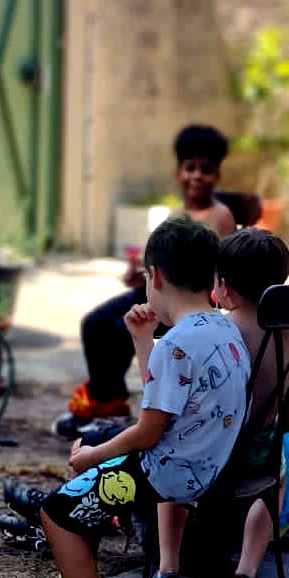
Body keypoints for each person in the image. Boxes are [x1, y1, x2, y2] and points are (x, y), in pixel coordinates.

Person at [26, 218, 248, 578]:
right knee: (91, 468)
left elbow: (149, 432)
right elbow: (167, 400)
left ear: (156, 277)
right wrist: (143, 340)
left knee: (57, 513)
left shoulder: (177, 344)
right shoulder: (223, 330)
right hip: (207, 462)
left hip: (166, 472)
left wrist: (92, 457)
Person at [52, 125, 240, 440]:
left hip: (187, 303)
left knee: (118, 331)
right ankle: (106, 403)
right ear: (178, 171)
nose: (196, 176)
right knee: (94, 324)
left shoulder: (219, 217)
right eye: (189, 168)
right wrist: (141, 272)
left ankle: (104, 411)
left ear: (217, 174)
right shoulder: (176, 212)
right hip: (157, 292)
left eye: (205, 170)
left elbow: (221, 269)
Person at [209, 229, 289, 578]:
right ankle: (247, 573)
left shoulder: (215, 330)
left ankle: (167, 569)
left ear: (224, 286)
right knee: (278, 472)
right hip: (256, 461)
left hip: (206, 457)